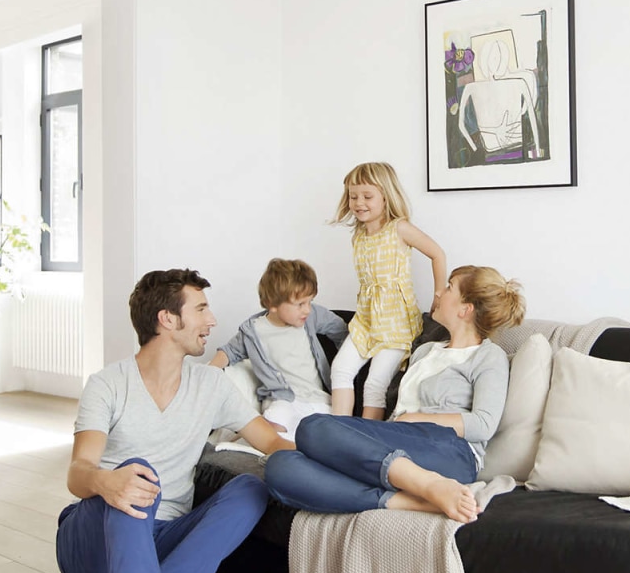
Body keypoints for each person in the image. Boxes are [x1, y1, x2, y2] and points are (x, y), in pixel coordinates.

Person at [56, 268, 293, 573]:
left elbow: (273, 445)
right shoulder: (108, 383)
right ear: (167, 319)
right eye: (200, 309)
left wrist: (346, 462)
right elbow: (77, 473)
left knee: (251, 488)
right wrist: (107, 482)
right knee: (138, 473)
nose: (212, 320)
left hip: (158, 538)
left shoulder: (212, 385)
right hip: (91, 544)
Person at [266, 265, 524, 522]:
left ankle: (431, 485)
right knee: (281, 466)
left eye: (449, 287)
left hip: (451, 452)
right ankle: (410, 501)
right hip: (399, 442)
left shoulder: (488, 356)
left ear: (465, 309)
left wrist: (414, 418)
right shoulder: (425, 351)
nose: (439, 293)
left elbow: (483, 424)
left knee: (313, 427)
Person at [330, 161, 447, 421]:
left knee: (375, 384)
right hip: (366, 321)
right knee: (340, 370)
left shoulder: (399, 229)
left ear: (386, 196)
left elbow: (437, 253)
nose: (359, 203)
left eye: (367, 196)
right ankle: (338, 429)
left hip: (396, 323)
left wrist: (439, 293)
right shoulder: (359, 235)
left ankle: (367, 436)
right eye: (353, 196)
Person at [209, 257, 347, 440]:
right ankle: (253, 438)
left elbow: (342, 331)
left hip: (318, 399)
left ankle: (298, 442)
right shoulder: (253, 331)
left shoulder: (312, 316)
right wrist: (206, 374)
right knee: (273, 423)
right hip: (283, 400)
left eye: (310, 301)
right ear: (272, 304)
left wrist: (345, 367)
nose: (307, 309)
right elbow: (228, 352)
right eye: (300, 304)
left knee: (330, 433)